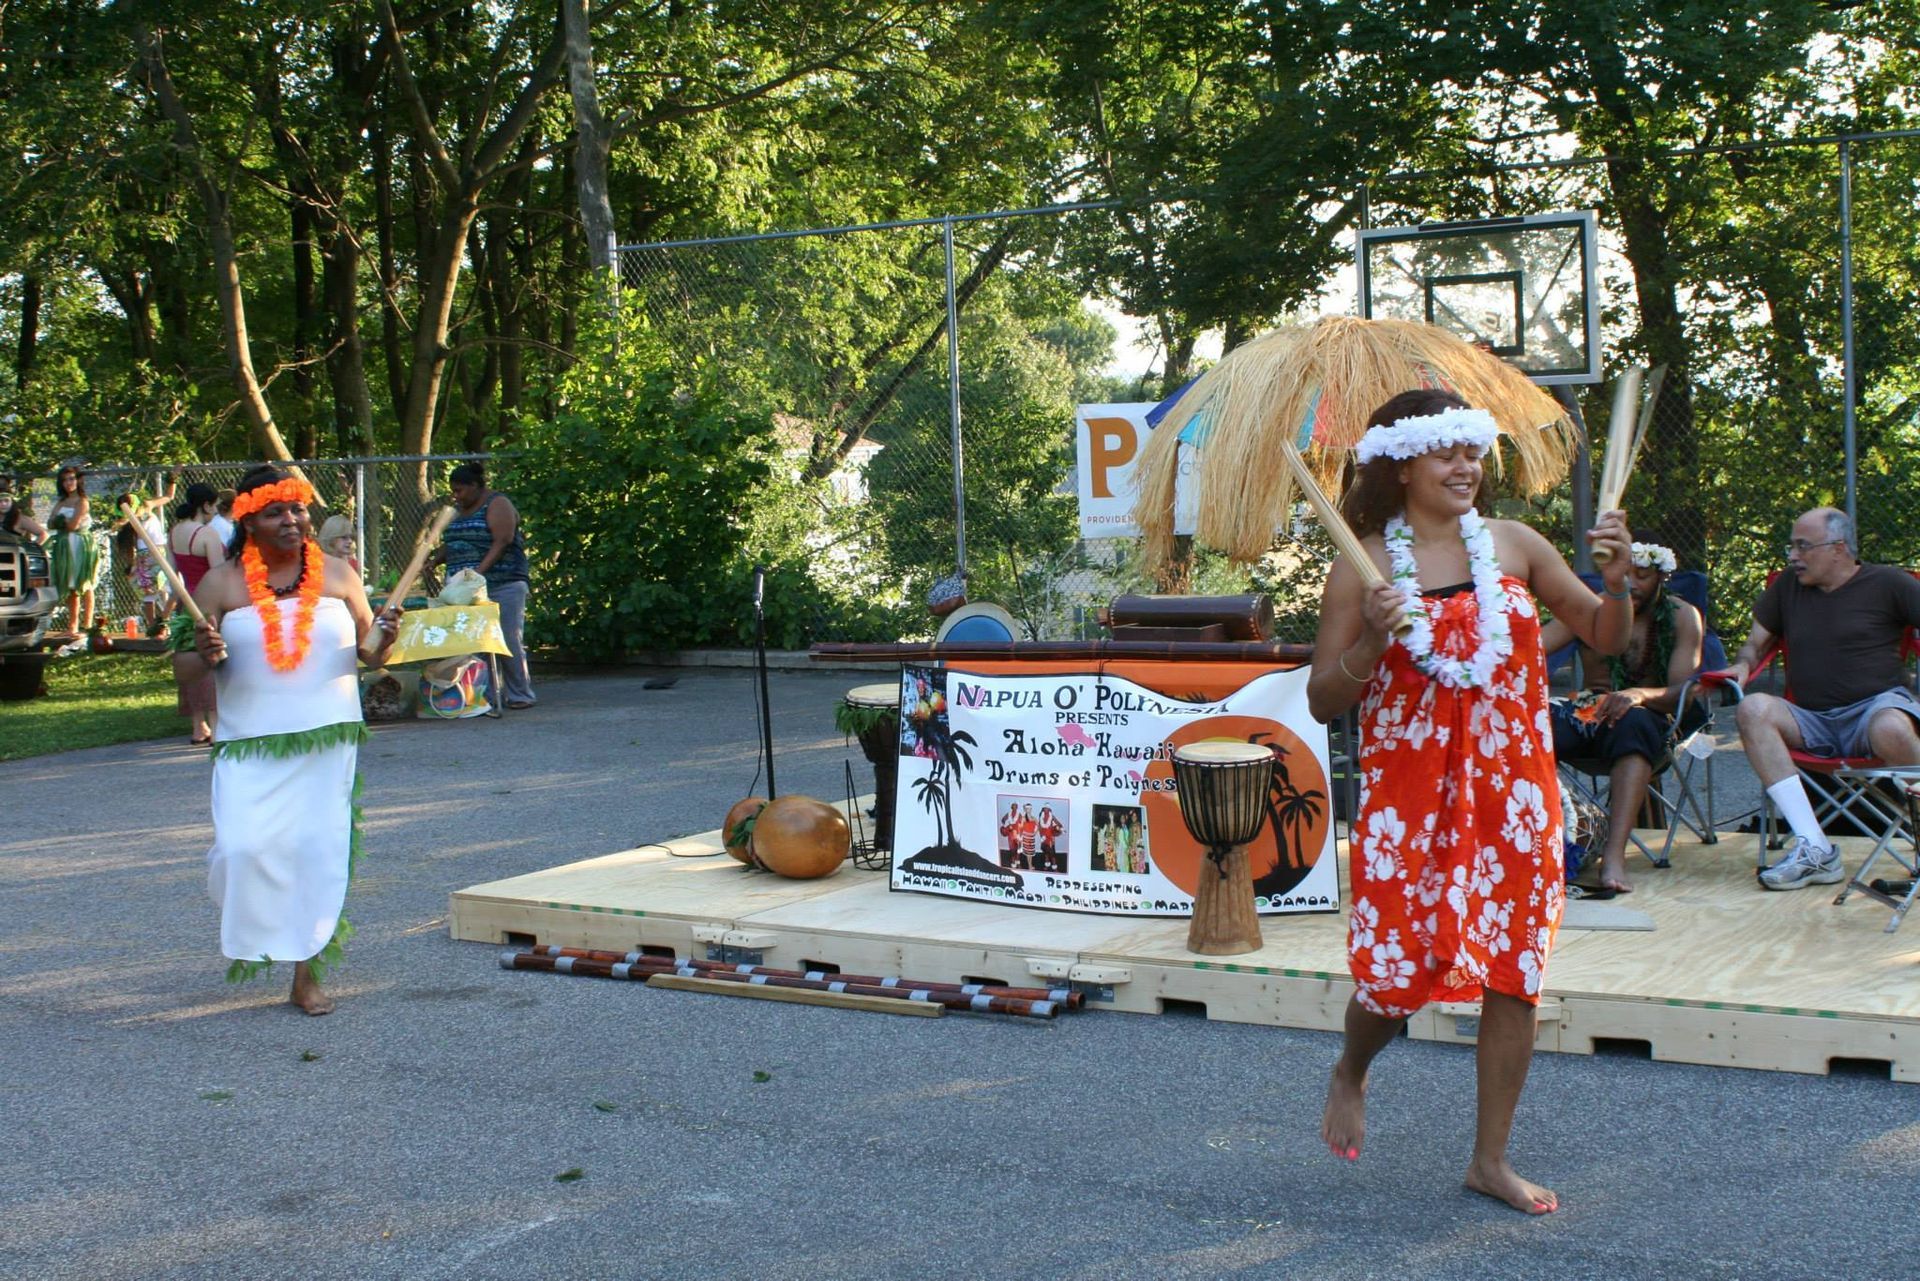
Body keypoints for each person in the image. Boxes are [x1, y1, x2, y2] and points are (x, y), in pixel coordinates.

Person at [1307, 388, 1633, 1215]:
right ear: (1402, 463)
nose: (1465, 466)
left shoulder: (1516, 544)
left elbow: (1605, 635)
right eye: (1445, 451)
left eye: (1472, 450)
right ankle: (1352, 1067)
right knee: (1396, 972)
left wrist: (1620, 582)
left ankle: (1490, 1159)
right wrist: (1378, 638)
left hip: (1514, 791)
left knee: (1513, 970)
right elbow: (1320, 700)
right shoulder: (1363, 560)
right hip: (1409, 797)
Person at [181, 464, 400, 1015]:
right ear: (249, 520)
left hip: (326, 738)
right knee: (240, 849)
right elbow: (185, 672)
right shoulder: (221, 583)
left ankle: (307, 973)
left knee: (316, 853)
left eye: (297, 509)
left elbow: (370, 656)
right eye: (276, 511)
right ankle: (260, 931)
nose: (291, 520)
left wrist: (386, 640)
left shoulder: (339, 573)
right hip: (248, 741)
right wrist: (201, 655)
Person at [1715, 507, 1920, 890]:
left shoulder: (1890, 584)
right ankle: (1814, 849)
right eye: (1792, 546)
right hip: (1810, 718)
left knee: (1892, 725)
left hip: (1875, 709)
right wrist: (1742, 667)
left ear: (1838, 549)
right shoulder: (1787, 587)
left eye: (1803, 546)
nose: (1793, 556)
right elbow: (1755, 645)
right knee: (1753, 707)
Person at [1539, 541, 1705, 893]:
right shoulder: (1592, 610)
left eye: (1641, 575)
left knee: (1634, 724)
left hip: (1651, 717)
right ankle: (1538, 845)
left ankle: (1613, 855)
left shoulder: (1681, 615)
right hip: (1589, 712)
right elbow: (1532, 647)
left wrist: (1639, 695)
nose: (1630, 583)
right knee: (1531, 726)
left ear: (1661, 576)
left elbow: (1684, 694)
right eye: (1623, 573)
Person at [436, 462, 534, 709]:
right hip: (465, 588)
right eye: (453, 491)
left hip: (503, 582)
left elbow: (502, 541)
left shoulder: (498, 503)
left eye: (460, 490)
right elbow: (455, 540)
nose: (456, 496)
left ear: (476, 486)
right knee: (474, 641)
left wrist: (478, 574)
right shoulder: (458, 510)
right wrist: (435, 559)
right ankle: (485, 696)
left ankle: (520, 694)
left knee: (507, 639)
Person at [168, 483, 227, 746]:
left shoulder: (174, 532)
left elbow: (173, 575)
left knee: (191, 660)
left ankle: (197, 724)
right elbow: (218, 573)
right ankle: (215, 725)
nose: (215, 510)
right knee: (211, 660)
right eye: (213, 505)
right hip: (208, 604)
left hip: (185, 604)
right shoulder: (207, 534)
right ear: (205, 505)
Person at [116, 474, 177, 632]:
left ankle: (166, 623)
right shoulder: (127, 523)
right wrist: (132, 565)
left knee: (168, 588)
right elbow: (131, 547)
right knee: (148, 593)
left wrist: (173, 479)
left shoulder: (147, 506)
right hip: (144, 556)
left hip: (161, 550)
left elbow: (169, 497)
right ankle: (152, 627)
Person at [47, 464, 100, 633]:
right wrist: (58, 523)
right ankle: (72, 625)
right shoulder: (61, 502)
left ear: (78, 480)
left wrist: (60, 523)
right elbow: (50, 522)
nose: (68, 483)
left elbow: (73, 525)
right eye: (64, 480)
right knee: (70, 584)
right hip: (64, 545)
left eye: (71, 479)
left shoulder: (82, 501)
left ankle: (88, 624)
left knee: (84, 582)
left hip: (79, 544)